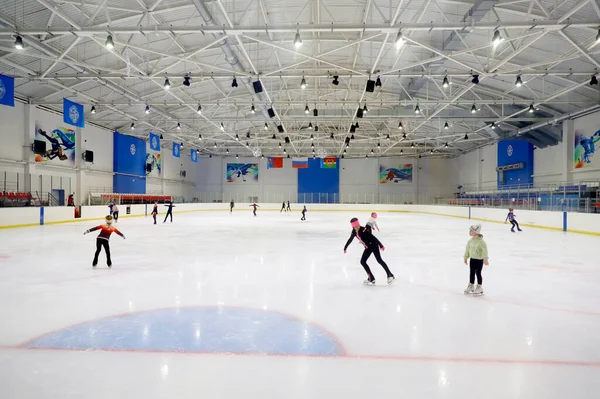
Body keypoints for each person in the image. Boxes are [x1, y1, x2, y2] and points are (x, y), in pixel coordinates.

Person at [344, 217, 395, 285]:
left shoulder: (363, 230)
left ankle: (390, 275)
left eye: (358, 225)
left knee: (378, 260)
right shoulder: (354, 232)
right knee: (363, 262)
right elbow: (350, 239)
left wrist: (380, 245)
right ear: (353, 227)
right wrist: (345, 247)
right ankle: (371, 278)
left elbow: (372, 237)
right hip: (368, 247)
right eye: (355, 226)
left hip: (373, 245)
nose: (357, 227)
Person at [463, 224, 489, 295]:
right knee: (471, 272)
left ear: (475, 232)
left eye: (471, 231)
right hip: (472, 259)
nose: (469, 232)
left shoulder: (481, 242)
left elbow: (485, 251)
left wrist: (485, 259)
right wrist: (465, 257)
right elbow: (467, 250)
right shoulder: (470, 241)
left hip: (479, 260)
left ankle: (479, 287)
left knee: (478, 273)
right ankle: (471, 285)